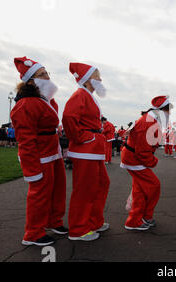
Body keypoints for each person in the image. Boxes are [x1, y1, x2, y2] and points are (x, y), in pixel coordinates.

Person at [10, 56, 67, 246]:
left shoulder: (45, 99)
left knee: (57, 190)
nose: (47, 76)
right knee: (40, 194)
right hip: (40, 156)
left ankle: (54, 221)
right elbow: (25, 140)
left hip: (53, 152)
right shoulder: (25, 104)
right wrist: (32, 169)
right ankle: (33, 233)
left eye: (47, 72)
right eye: (42, 74)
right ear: (31, 80)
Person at [62, 62, 110, 241]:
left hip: (93, 148)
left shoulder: (87, 95)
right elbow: (68, 117)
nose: (101, 79)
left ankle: (94, 221)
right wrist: (80, 138)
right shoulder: (80, 94)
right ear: (89, 79)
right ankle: (79, 229)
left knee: (101, 184)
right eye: (97, 76)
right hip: (86, 149)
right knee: (85, 189)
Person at [120, 95, 171, 231]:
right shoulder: (149, 122)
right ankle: (144, 217)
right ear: (161, 110)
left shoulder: (150, 120)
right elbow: (142, 151)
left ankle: (136, 219)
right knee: (154, 186)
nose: (169, 114)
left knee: (140, 190)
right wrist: (153, 161)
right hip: (134, 159)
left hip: (134, 158)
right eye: (168, 111)